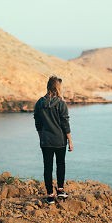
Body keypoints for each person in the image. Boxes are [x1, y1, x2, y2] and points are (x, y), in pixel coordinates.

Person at [33, 75, 73, 203]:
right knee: (60, 164)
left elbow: (37, 122)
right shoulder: (61, 104)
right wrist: (70, 141)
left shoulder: (39, 103)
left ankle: (50, 195)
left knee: (47, 167)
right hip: (60, 140)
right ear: (57, 88)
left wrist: (41, 137)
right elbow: (65, 124)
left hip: (46, 141)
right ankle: (60, 191)